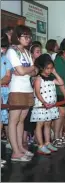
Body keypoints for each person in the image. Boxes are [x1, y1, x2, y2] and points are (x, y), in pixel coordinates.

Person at [6, 25, 37, 161]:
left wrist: (28, 69)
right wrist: (29, 69)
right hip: (16, 89)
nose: (28, 39)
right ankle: (15, 152)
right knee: (14, 120)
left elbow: (35, 71)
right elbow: (23, 71)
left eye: (29, 37)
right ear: (17, 37)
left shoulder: (26, 52)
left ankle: (20, 147)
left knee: (21, 120)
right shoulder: (12, 51)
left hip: (27, 89)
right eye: (25, 36)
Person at [30, 54, 63, 154]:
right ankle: (40, 145)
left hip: (50, 106)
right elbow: (37, 93)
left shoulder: (51, 78)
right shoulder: (38, 79)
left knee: (48, 124)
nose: (49, 70)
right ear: (41, 68)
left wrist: (55, 73)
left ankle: (48, 142)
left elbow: (61, 82)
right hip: (41, 106)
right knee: (40, 125)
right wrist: (44, 102)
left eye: (51, 68)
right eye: (47, 68)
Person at [23, 43, 42, 148]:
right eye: (37, 52)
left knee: (35, 116)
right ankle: (25, 138)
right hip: (28, 92)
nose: (40, 54)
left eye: (40, 51)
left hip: (36, 94)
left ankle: (34, 136)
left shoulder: (39, 66)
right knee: (26, 117)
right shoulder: (29, 66)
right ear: (31, 54)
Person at [1, 33, 12, 167]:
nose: (2, 50)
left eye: (4, 47)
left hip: (4, 93)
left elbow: (7, 77)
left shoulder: (5, 59)